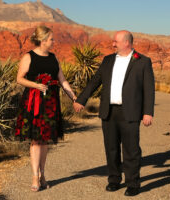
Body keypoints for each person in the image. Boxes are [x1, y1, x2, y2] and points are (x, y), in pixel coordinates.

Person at [73, 30, 155, 196]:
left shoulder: (143, 62)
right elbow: (95, 81)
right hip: (109, 111)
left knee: (131, 150)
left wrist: (148, 112)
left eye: (115, 41)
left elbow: (149, 89)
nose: (113, 44)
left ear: (126, 42)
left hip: (130, 112)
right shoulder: (108, 60)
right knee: (111, 148)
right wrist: (81, 99)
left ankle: (133, 183)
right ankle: (114, 179)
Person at [15, 25, 77, 192]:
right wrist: (36, 85)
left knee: (45, 140)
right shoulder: (29, 57)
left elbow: (62, 80)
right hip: (34, 102)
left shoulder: (53, 57)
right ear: (42, 41)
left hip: (51, 102)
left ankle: (43, 174)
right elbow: (19, 79)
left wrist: (73, 97)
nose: (53, 41)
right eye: (51, 39)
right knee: (36, 140)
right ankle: (35, 175)